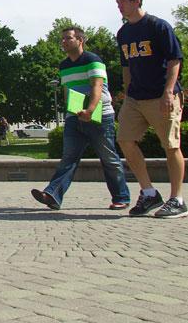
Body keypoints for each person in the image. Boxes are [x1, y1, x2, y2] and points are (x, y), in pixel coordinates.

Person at [31, 26, 130, 211]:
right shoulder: (64, 65)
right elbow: (69, 90)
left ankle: (121, 197)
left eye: (68, 38)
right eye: (62, 39)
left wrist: (90, 111)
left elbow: (97, 87)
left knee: (109, 158)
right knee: (68, 158)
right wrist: (72, 112)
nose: (63, 42)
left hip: (99, 114)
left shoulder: (93, 60)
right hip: (74, 116)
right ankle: (52, 195)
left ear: (80, 40)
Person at [113, 0, 188, 219]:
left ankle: (177, 199)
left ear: (137, 1)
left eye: (123, 1)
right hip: (136, 97)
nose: (119, 6)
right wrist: (126, 94)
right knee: (125, 140)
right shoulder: (123, 33)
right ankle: (149, 193)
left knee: (171, 145)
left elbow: (175, 59)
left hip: (161, 96)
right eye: (117, 2)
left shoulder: (158, 26)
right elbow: (126, 66)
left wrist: (169, 91)